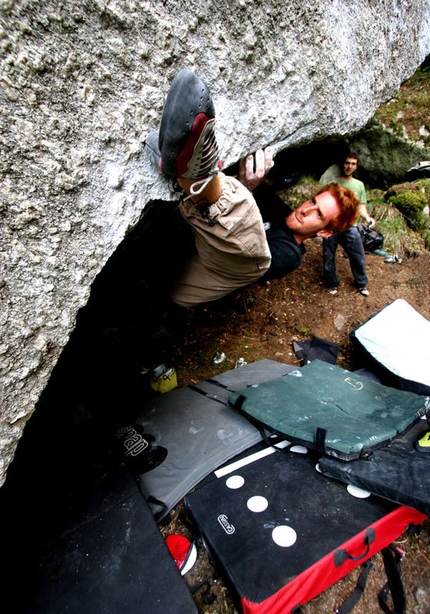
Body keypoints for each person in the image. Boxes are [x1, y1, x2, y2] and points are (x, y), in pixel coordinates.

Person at [146, 68, 359, 307]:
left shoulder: (290, 255)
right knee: (244, 192)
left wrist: (246, 188)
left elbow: (246, 256)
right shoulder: (281, 211)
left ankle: (195, 173)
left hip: (181, 285)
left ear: (324, 232)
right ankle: (185, 170)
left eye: (318, 215)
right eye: (313, 202)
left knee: (254, 260)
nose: (305, 210)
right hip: (171, 247)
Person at [322, 153, 375, 297]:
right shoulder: (332, 184)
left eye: (353, 164)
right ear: (343, 164)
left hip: (350, 227)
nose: (349, 166)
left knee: (358, 255)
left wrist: (367, 217)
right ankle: (331, 283)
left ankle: (361, 283)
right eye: (347, 163)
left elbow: (361, 206)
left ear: (356, 166)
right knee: (328, 256)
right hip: (332, 227)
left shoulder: (359, 185)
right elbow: (324, 205)